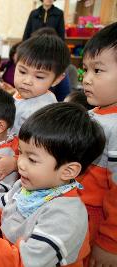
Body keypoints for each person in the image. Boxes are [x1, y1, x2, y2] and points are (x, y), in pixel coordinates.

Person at [0, 102, 105, 267]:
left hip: (19, 260)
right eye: (20, 153)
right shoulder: (30, 186)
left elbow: (23, 262)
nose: (20, 163)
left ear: (68, 171)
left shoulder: (65, 217)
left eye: (31, 159)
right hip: (10, 252)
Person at [0, 34, 69, 182]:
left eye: (39, 77)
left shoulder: (44, 110)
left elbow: (44, 154)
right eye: (22, 71)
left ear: (57, 79)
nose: (27, 81)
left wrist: (15, 163)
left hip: (20, 170)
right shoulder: (22, 93)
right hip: (3, 152)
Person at [79, 22, 117, 266]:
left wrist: (110, 243)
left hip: (96, 222)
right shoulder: (96, 113)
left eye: (98, 71)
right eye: (85, 70)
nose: (87, 79)